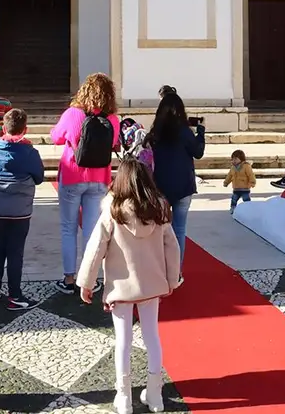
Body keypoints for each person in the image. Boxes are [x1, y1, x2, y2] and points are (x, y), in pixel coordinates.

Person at [78, 159, 182, 414]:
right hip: (152, 285)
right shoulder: (159, 211)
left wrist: (86, 282)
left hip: (120, 287)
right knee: (152, 337)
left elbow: (95, 249)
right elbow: (173, 246)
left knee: (123, 339)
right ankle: (155, 393)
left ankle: (123, 396)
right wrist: (171, 280)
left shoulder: (112, 211)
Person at [49, 73, 122, 295]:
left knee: (68, 228)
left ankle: (69, 278)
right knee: (92, 231)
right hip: (100, 178)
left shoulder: (73, 114)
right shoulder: (112, 119)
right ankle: (89, 278)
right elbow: (113, 143)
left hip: (72, 175)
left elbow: (56, 137)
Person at [0, 108, 44, 311]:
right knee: (15, 253)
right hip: (20, 211)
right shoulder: (30, 152)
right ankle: (15, 295)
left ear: (3, 127)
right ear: (25, 129)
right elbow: (39, 178)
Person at [145, 91, 204, 265]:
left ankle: (160, 267)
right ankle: (176, 271)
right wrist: (201, 132)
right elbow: (198, 152)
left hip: (160, 186)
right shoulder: (184, 132)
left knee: (159, 230)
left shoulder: (156, 133)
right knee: (179, 229)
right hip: (183, 186)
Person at [223, 149, 256, 213]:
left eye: (236, 159)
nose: (234, 161)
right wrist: (226, 182)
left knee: (246, 199)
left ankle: (248, 208)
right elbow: (229, 176)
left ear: (241, 159)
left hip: (245, 188)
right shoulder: (233, 168)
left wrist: (252, 182)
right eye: (232, 159)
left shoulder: (246, 166)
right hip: (236, 188)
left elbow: (250, 175)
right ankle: (233, 207)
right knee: (234, 199)